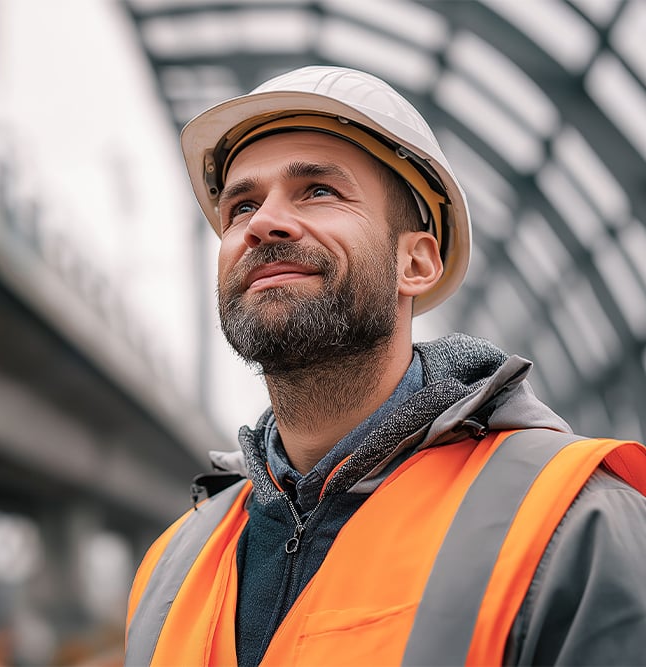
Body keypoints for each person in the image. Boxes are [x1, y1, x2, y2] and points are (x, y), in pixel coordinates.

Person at [124, 66, 646, 666]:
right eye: (241, 205)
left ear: (417, 264)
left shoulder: (570, 525)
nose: (262, 223)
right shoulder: (173, 567)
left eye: (318, 190)